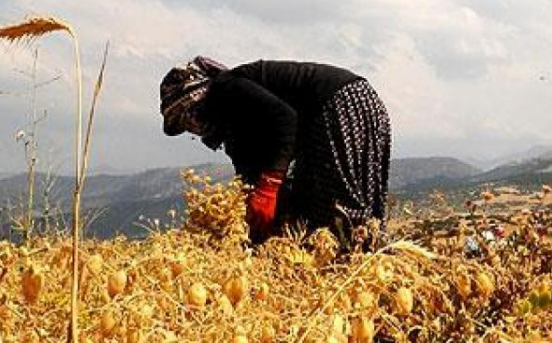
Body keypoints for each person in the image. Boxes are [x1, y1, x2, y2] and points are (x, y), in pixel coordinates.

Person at [160, 57, 392, 250]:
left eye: (187, 117)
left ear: (195, 97)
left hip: (340, 105)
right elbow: (249, 170)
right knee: (315, 203)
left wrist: (269, 186)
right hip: (354, 104)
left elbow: (285, 119)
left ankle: (363, 271)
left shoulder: (225, 89)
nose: (193, 127)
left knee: (340, 209)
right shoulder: (234, 127)